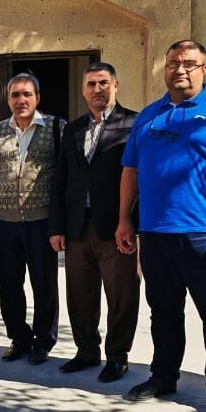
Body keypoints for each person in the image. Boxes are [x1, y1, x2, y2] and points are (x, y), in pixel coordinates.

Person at [117, 40, 206, 412]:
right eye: (173, 63)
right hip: (155, 233)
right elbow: (130, 171)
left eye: (189, 64)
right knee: (163, 311)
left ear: (204, 69)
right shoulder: (149, 116)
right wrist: (125, 219)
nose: (180, 70)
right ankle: (163, 377)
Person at [47, 61, 139, 383]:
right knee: (80, 294)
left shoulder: (134, 124)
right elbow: (61, 180)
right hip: (77, 227)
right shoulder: (72, 129)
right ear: (83, 90)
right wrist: (57, 227)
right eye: (91, 84)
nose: (97, 89)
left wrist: (133, 223)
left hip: (116, 227)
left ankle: (117, 356)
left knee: (121, 294)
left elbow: (141, 177)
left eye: (103, 83)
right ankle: (86, 351)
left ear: (115, 86)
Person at [0, 72, 62, 366]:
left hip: (42, 222)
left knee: (44, 284)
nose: (21, 100)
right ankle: (19, 338)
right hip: (5, 222)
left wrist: (60, 224)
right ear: (8, 99)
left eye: (27, 94)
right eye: (15, 95)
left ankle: (44, 340)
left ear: (37, 97)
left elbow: (65, 180)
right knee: (9, 284)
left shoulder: (57, 128)